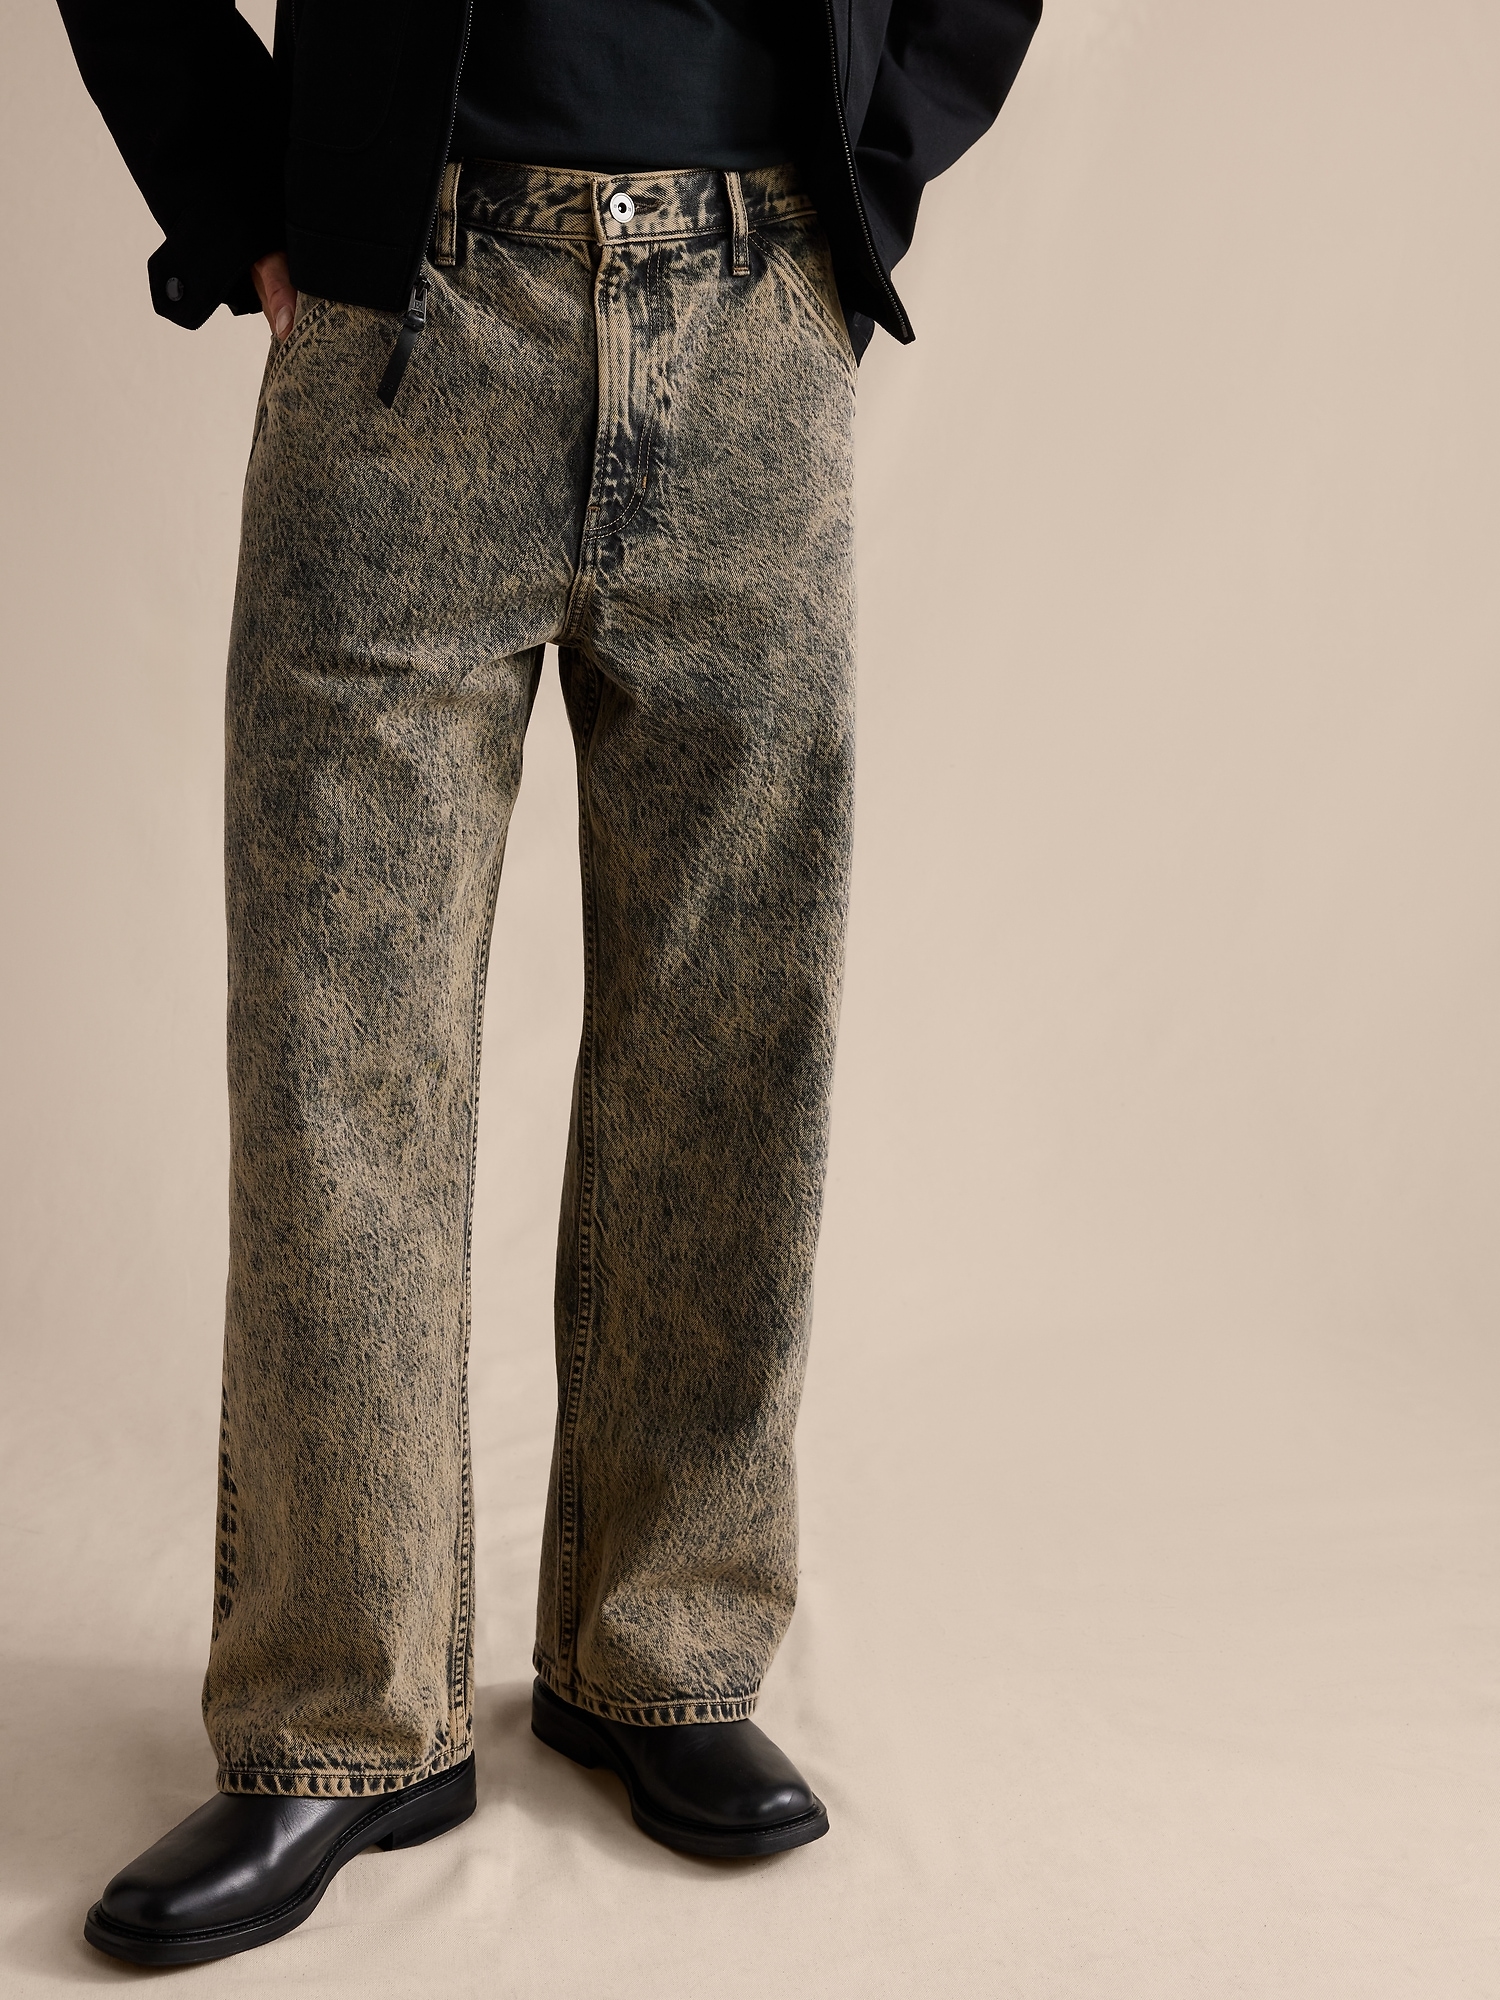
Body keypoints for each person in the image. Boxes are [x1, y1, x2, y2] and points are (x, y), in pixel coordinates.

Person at [56, 0, 1040, 1967]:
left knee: (732, 1040)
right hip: (405, 316)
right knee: (342, 1058)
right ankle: (343, 1718)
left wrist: (866, 181)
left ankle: (659, 1654)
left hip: (755, 304)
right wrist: (247, 196)